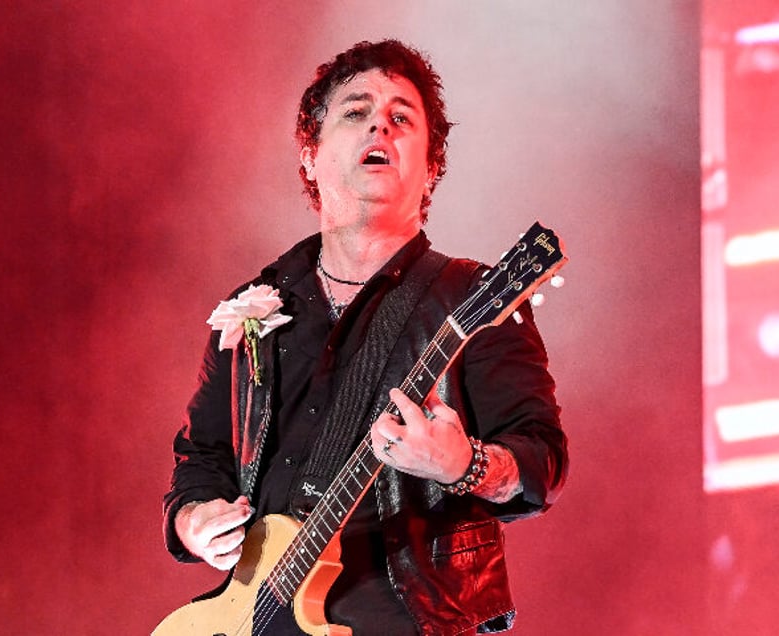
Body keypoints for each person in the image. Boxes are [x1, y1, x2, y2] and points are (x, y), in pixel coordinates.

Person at [163, 39, 568, 635]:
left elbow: (543, 462)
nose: (380, 123)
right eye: (356, 112)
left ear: (430, 167)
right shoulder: (252, 309)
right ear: (310, 155)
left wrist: (466, 463)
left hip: (408, 618)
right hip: (252, 615)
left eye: (402, 118)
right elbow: (202, 459)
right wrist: (193, 520)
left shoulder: (473, 298)